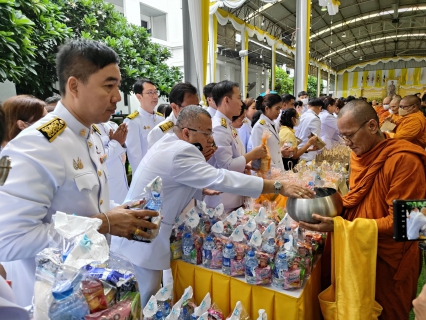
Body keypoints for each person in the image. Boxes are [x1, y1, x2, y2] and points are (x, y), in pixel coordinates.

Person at [0, 39, 158, 307]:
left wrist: (124, 211)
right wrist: (103, 223)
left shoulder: (91, 133)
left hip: (91, 292)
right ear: (74, 86)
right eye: (108, 86)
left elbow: (84, 205)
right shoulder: (36, 145)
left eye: (117, 86)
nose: (117, 97)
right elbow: (10, 241)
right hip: (52, 302)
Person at [111, 105, 315, 307]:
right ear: (186, 132)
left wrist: (201, 189)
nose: (211, 138)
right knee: (145, 304)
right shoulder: (181, 151)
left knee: (146, 301)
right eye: (206, 133)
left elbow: (174, 182)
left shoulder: (170, 142)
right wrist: (277, 186)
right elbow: (220, 177)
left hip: (140, 235)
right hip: (142, 242)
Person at [299, 99, 426, 320]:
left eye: (349, 135)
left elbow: (410, 226)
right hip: (358, 250)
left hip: (387, 260)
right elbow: (359, 197)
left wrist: (341, 227)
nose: (346, 143)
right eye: (342, 136)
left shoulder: (405, 161)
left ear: (372, 126)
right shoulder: (361, 154)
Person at [205, 81, 267, 212]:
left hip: (232, 195)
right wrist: (253, 154)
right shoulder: (219, 128)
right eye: (238, 98)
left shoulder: (227, 125)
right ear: (226, 100)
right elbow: (226, 165)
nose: (241, 103)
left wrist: (245, 164)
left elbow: (235, 156)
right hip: (222, 200)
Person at [124, 79, 164, 172]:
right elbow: (135, 157)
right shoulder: (133, 122)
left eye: (155, 92)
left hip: (163, 171)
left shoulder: (161, 119)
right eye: (150, 93)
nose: (154, 96)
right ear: (139, 97)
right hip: (146, 174)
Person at [147, 82, 198, 149]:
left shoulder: (199, 125)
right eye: (189, 108)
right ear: (174, 107)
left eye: (197, 107)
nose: (195, 112)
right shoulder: (159, 133)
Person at [252, 94, 293, 171]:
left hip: (276, 170)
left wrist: (281, 152)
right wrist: (276, 172)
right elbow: (260, 156)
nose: (279, 112)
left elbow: (271, 149)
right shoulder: (260, 127)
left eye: (280, 109)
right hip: (267, 172)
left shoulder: (272, 124)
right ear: (267, 108)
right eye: (277, 109)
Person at [96, 120, 129, 204]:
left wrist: (118, 144)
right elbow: (97, 159)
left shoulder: (111, 124)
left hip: (121, 186)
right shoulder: (88, 129)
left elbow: (122, 155)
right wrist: (116, 143)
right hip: (107, 191)